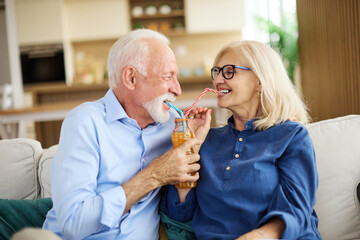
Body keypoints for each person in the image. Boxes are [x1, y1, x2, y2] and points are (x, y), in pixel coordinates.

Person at [42, 29, 212, 239]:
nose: (177, 89)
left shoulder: (171, 129)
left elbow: (180, 213)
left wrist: (188, 147)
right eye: (168, 77)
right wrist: (154, 175)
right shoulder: (86, 122)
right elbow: (73, 224)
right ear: (131, 78)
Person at [162, 40, 321, 240]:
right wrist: (188, 149)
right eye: (217, 72)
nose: (218, 80)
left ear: (261, 81)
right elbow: (180, 215)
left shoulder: (291, 135)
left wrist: (255, 237)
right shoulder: (207, 141)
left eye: (229, 71)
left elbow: (296, 211)